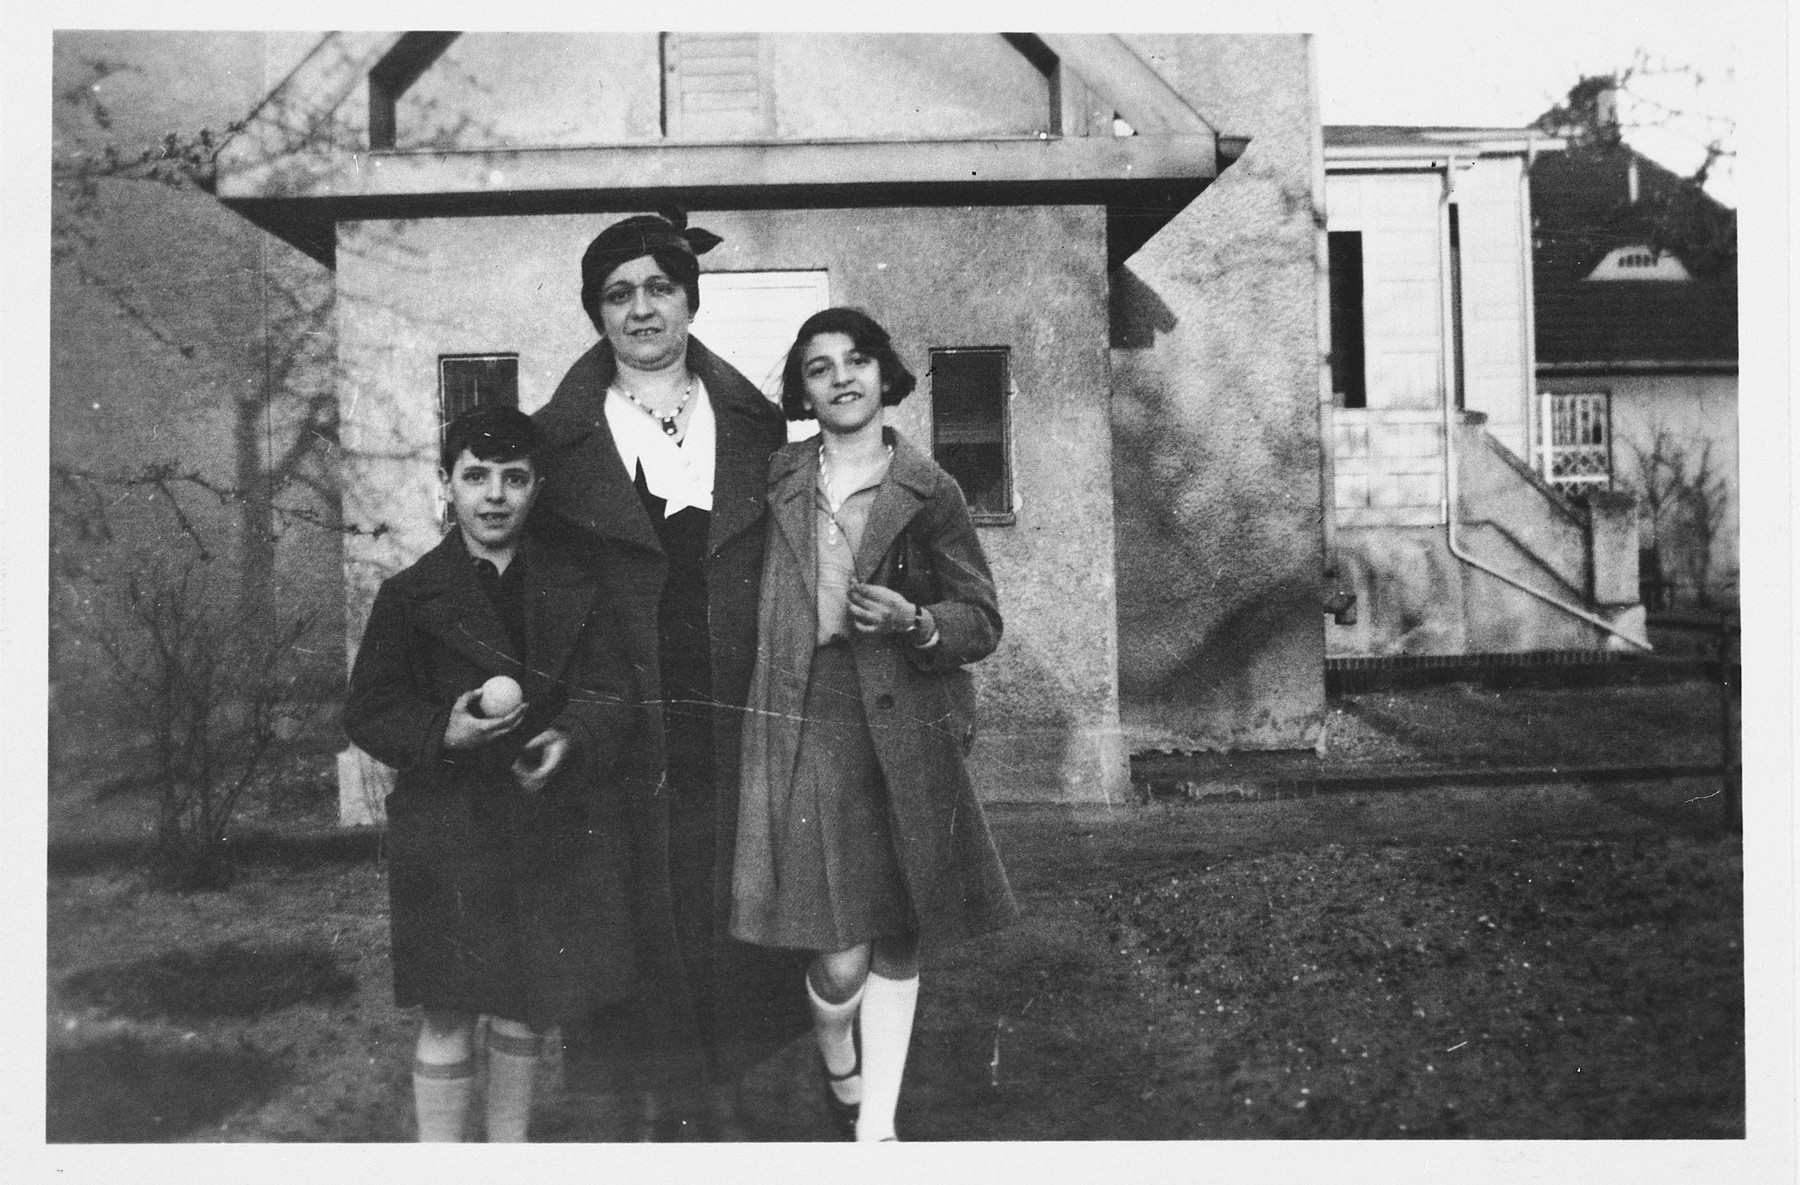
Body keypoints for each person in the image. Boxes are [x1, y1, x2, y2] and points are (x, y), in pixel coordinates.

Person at [531, 212, 806, 1136]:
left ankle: (722, 1098)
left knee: (724, 888)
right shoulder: (556, 442)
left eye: (659, 288)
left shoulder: (759, 425)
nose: (641, 308)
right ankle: (640, 1103)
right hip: (616, 711)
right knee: (630, 904)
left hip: (731, 701)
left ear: (690, 298)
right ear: (594, 313)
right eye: (618, 293)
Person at [730, 307, 1019, 1141]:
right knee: (837, 952)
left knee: (899, 930)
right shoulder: (777, 477)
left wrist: (918, 621)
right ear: (804, 390)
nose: (842, 377)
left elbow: (982, 619)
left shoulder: (932, 489)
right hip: (807, 717)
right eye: (820, 367)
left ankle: (877, 1130)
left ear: (885, 375)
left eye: (857, 360)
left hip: (905, 723)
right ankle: (836, 1053)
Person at [344, 407, 640, 1141]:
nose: (495, 494)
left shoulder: (576, 586)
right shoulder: (411, 596)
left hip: (547, 828)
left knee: (524, 1004)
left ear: (538, 487)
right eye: (475, 475)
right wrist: (445, 726)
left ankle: (507, 1153)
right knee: (449, 1007)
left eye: (514, 477)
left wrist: (568, 737)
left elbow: (614, 693)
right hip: (449, 835)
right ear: (445, 484)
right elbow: (369, 708)